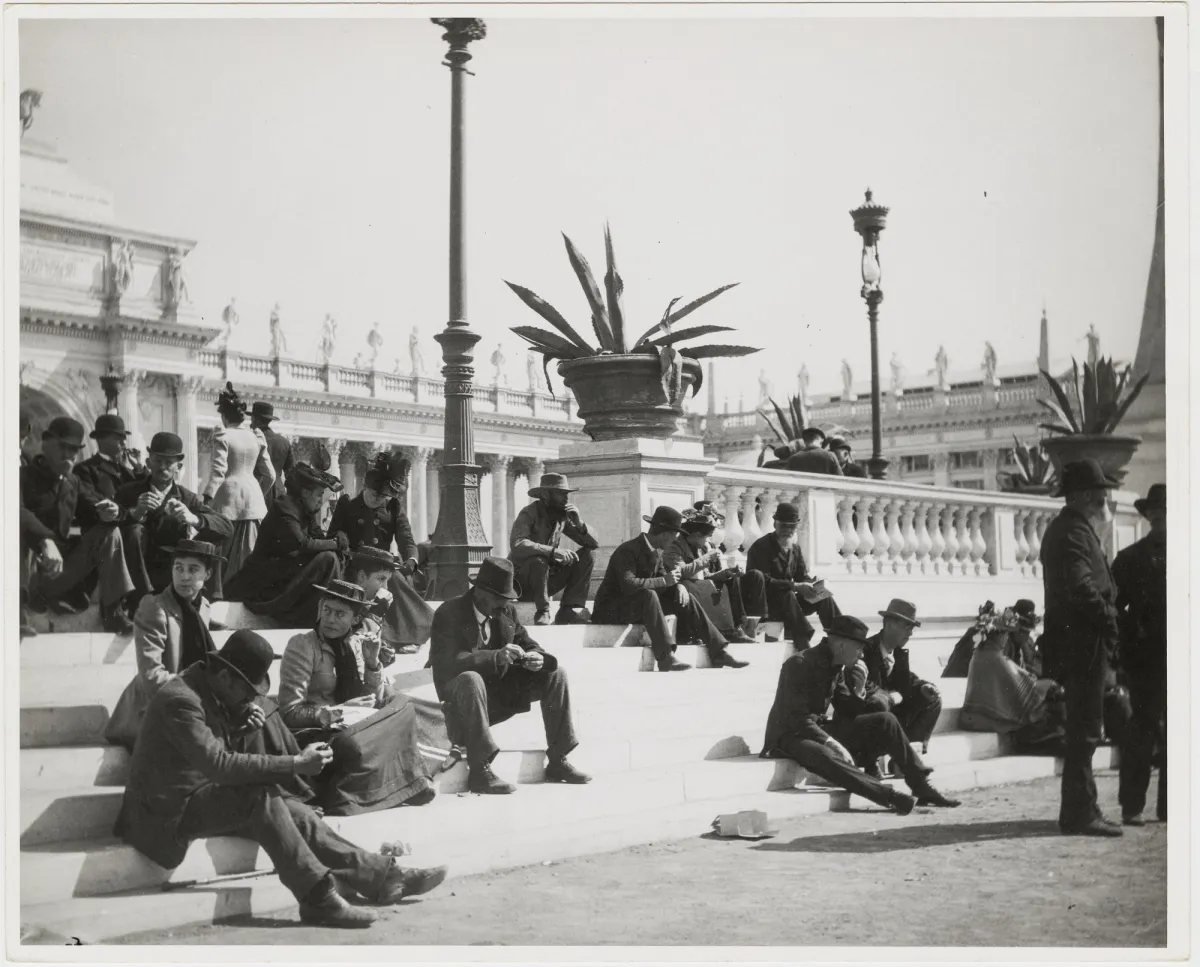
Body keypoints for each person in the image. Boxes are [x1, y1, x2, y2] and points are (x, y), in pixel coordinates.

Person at [113, 629, 448, 928]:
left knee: (296, 812)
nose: (250, 699)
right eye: (247, 691)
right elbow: (219, 765)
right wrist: (295, 763)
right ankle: (317, 898)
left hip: (201, 793)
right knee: (258, 797)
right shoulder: (180, 700)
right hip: (166, 813)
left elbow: (208, 752)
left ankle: (384, 876)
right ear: (226, 677)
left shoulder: (210, 688)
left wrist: (238, 726)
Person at [760, 614, 960, 812]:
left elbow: (847, 710)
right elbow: (798, 719)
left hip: (815, 729)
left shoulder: (836, 665)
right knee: (825, 753)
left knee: (885, 720)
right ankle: (889, 797)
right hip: (788, 736)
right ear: (841, 645)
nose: (861, 655)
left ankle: (921, 785)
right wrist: (830, 742)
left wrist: (859, 690)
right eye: (858, 648)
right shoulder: (800, 663)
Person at [430, 557, 590, 794]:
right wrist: (495, 656)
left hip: (498, 695)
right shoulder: (449, 612)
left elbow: (528, 643)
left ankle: (558, 759)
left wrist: (538, 658)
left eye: (507, 599)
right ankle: (480, 769)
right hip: (461, 700)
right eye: (499, 598)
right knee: (471, 678)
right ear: (480, 592)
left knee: (555, 673)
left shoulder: (506, 611)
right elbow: (447, 663)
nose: (504, 604)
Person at [278, 580, 436, 815]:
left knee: (400, 705)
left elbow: (374, 699)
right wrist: (337, 711)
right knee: (392, 719)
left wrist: (372, 663)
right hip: (321, 733)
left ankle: (404, 781)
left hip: (359, 727)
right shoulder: (303, 645)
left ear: (355, 620)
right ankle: (409, 782)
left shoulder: (355, 644)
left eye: (340, 614)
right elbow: (289, 712)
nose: (330, 619)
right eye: (326, 610)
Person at [1040, 457, 1123, 837]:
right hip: (1084, 645)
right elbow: (1081, 588)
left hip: (1081, 643)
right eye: (1099, 491)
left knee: (1085, 729)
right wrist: (1109, 619)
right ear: (1085, 495)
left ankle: (1082, 808)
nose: (1104, 498)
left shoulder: (1074, 528)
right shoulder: (1072, 532)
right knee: (1085, 731)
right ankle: (1080, 813)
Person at [593, 507, 747, 672]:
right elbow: (629, 585)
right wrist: (664, 581)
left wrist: (678, 586)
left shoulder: (656, 551)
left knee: (683, 595)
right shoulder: (628, 550)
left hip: (638, 607)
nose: (675, 539)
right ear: (665, 534)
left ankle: (719, 650)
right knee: (649, 595)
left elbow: (665, 580)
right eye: (675, 535)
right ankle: (665, 656)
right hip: (611, 610)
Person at [21, 416, 136, 633]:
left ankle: (113, 612)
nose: (69, 455)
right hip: (31, 573)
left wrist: (112, 511)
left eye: (74, 450)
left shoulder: (73, 482)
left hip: (62, 572)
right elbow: (17, 511)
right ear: (45, 444)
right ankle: (16, 613)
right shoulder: (22, 477)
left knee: (110, 531)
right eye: (63, 447)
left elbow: (95, 503)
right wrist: (44, 540)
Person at [105, 540, 225, 750]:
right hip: (153, 707)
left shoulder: (203, 607)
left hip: (189, 703)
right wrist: (200, 696)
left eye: (193, 569)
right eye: (178, 568)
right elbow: (152, 676)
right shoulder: (155, 607)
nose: (184, 576)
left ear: (207, 575)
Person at [331, 451, 433, 655]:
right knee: (380, 579)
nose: (378, 500)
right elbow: (334, 534)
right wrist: (340, 536)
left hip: (383, 565)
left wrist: (412, 560)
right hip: (355, 565)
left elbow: (406, 539)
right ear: (365, 487)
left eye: (383, 497)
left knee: (394, 578)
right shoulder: (347, 505)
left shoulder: (393, 508)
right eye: (375, 495)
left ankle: (410, 635)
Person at [115, 432, 234, 605]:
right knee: (134, 531)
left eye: (169, 462)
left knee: (212, 536)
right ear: (148, 462)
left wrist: (193, 519)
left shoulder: (187, 498)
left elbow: (226, 527)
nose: (162, 467)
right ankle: (144, 601)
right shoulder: (128, 492)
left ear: (178, 467)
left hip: (174, 570)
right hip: (139, 574)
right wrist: (136, 512)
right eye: (158, 461)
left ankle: (207, 603)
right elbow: (112, 526)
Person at [224, 461, 345, 629]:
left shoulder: (306, 510)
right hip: (264, 582)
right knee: (328, 559)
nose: (321, 501)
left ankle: (316, 615)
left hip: (284, 575)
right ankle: (306, 617)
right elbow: (302, 543)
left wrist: (336, 540)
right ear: (305, 492)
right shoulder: (284, 507)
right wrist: (334, 543)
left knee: (330, 557)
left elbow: (318, 538)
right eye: (319, 495)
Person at [1111, 483, 1167, 826]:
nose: (1160, 517)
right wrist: (1134, 632)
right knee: (1142, 730)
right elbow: (1112, 607)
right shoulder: (1129, 559)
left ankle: (1172, 806)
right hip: (1146, 659)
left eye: (1167, 511)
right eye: (1155, 512)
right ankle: (1132, 806)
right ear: (1148, 516)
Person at [837, 599, 942, 756]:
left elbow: (907, 680)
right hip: (864, 719)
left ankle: (911, 754)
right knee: (880, 705)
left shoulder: (898, 652)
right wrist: (891, 697)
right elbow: (865, 689)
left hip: (889, 714)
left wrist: (923, 686)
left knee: (932, 699)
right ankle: (889, 758)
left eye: (912, 628)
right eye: (907, 627)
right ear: (889, 624)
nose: (911, 633)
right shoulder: (863, 650)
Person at [956, 602, 1065, 750]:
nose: (1006, 637)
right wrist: (1040, 685)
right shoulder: (995, 657)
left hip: (975, 715)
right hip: (989, 717)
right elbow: (1017, 682)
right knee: (1049, 696)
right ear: (998, 635)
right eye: (1005, 634)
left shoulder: (980, 654)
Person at [202, 383, 276, 585]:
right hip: (254, 504)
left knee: (222, 557)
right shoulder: (256, 436)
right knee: (249, 555)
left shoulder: (223, 435)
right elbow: (270, 475)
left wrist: (207, 498)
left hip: (227, 501)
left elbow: (218, 471)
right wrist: (256, 494)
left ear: (224, 416)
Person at [745, 502, 840, 647]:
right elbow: (763, 580)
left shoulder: (795, 549)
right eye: (783, 526)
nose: (788, 530)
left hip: (789, 604)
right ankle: (803, 640)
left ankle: (840, 635)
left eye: (792, 527)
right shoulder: (761, 547)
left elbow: (801, 576)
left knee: (823, 597)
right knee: (788, 593)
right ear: (775, 524)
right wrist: (795, 586)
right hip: (768, 604)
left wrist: (812, 584)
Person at [508, 472, 597, 626]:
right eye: (561, 493)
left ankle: (569, 609)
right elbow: (517, 543)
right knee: (539, 561)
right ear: (545, 495)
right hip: (523, 583)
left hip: (546, 580)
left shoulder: (562, 516)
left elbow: (593, 544)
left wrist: (580, 524)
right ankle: (542, 611)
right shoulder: (529, 512)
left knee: (588, 555)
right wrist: (553, 552)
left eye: (566, 494)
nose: (566, 498)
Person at [662, 510, 760, 644]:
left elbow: (706, 575)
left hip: (699, 585)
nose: (707, 541)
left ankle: (736, 629)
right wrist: (707, 558)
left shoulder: (699, 548)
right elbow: (682, 572)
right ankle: (700, 633)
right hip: (680, 588)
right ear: (697, 535)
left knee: (732, 580)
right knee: (690, 585)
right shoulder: (674, 547)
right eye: (706, 537)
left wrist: (727, 573)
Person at [73, 414, 147, 532]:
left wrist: (139, 468)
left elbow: (147, 490)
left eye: (124, 438)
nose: (124, 442)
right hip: (103, 532)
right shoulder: (85, 469)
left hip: (131, 530)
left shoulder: (128, 472)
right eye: (118, 438)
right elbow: (90, 502)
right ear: (101, 439)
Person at [250, 401, 294, 511]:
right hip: (279, 493)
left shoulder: (251, 439)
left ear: (255, 419)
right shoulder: (284, 442)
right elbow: (291, 474)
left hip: (257, 489)